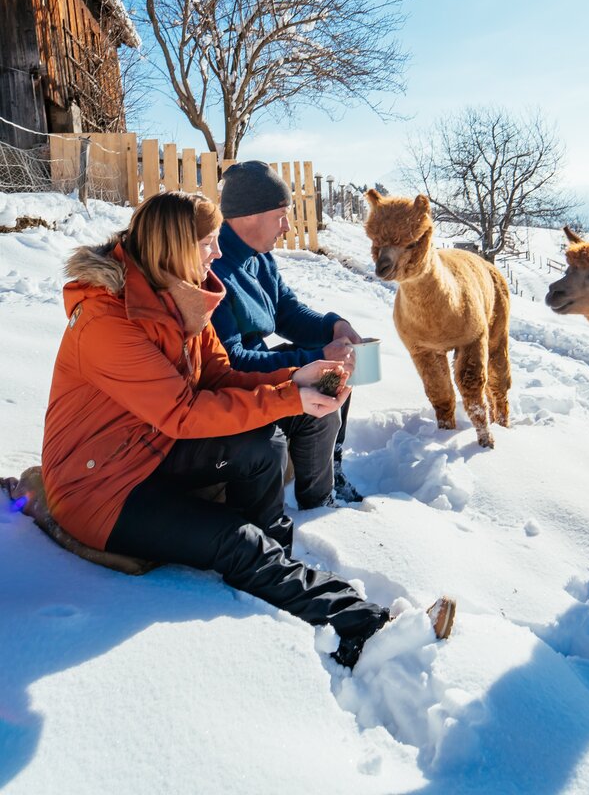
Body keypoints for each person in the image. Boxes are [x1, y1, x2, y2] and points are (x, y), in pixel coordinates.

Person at [41, 190, 453, 666]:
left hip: (150, 449)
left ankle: (273, 575)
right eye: (209, 243)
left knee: (259, 452)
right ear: (176, 246)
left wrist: (294, 377)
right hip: (99, 489)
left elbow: (221, 377)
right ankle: (367, 626)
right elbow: (184, 413)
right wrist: (289, 397)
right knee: (235, 540)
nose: (217, 253)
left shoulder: (180, 293)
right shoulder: (108, 321)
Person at [211, 161, 363, 505]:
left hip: (258, 361)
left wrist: (333, 326)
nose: (287, 226)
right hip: (236, 381)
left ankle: (330, 469)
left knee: (343, 369)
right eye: (281, 214)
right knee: (324, 384)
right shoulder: (214, 267)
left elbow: (287, 312)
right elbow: (231, 360)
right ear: (250, 215)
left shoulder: (258, 258)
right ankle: (317, 501)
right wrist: (316, 360)